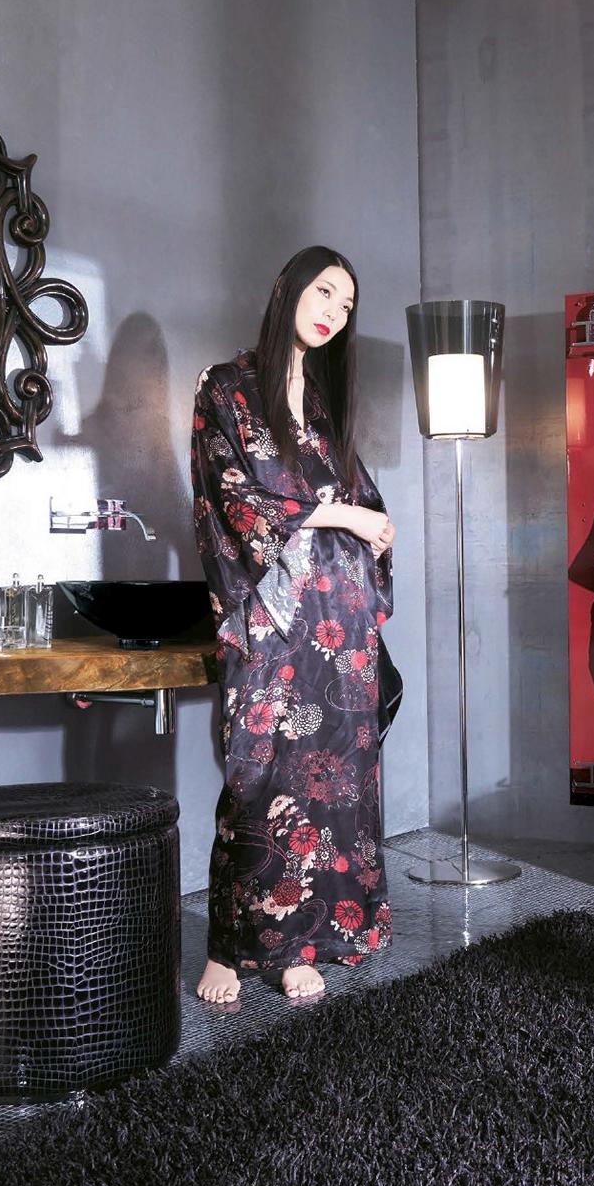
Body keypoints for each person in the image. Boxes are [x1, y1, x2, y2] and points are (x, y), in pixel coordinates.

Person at [188, 245, 397, 1004]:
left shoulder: (323, 403)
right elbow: (234, 498)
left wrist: (376, 526)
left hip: (339, 617)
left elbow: (355, 492)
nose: (333, 312)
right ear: (287, 289)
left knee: (333, 781)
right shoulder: (226, 387)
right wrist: (346, 516)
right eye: (324, 292)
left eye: (346, 305)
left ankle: (300, 944)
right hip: (271, 613)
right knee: (258, 776)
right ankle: (229, 947)